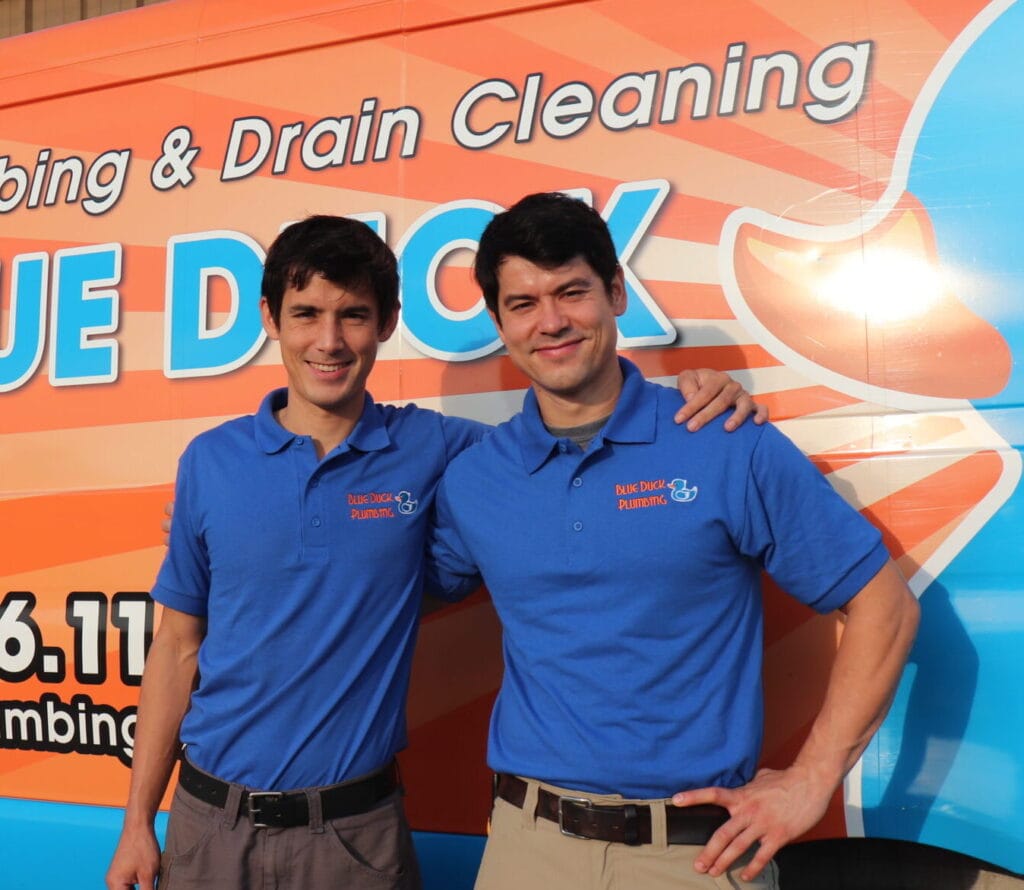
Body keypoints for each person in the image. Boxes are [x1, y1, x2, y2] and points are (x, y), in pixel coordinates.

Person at [105, 213, 765, 890]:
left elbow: (568, 440)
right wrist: (136, 823)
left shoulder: (440, 451)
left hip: (355, 836)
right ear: (271, 318)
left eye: (354, 315)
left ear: (388, 321)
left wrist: (699, 394)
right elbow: (177, 648)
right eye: (305, 314)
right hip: (207, 825)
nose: (328, 341)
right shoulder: (210, 462)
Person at [427, 193, 921, 890]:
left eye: (572, 291)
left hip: (693, 857)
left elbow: (886, 608)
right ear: (499, 321)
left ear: (617, 293)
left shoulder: (720, 440)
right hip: (525, 849)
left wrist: (813, 781)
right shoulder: (477, 477)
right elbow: (380, 589)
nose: (552, 321)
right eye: (524, 303)